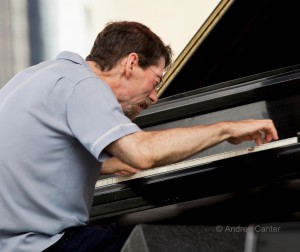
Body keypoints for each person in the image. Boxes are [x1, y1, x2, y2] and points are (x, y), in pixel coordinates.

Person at [0, 21, 278, 252]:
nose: (156, 97)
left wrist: (102, 166)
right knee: (180, 244)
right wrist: (226, 129)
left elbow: (35, 157)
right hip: (44, 245)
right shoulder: (83, 85)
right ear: (131, 63)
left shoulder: (39, 75)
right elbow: (143, 154)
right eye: (155, 81)